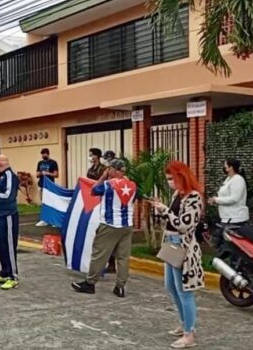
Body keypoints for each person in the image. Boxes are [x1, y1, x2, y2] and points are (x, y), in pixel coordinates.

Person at [149, 161, 205, 349]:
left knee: (184, 291)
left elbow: (184, 225)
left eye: (172, 179)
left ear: (181, 177)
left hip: (183, 247)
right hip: (171, 244)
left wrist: (164, 210)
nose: (170, 183)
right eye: (168, 180)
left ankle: (189, 333)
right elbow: (171, 221)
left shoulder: (194, 198)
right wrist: (161, 209)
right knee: (170, 286)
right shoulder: (177, 194)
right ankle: (184, 324)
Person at [72, 159, 138, 297]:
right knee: (123, 257)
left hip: (109, 224)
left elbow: (94, 190)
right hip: (126, 226)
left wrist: (102, 177)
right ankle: (120, 287)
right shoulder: (132, 185)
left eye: (109, 169)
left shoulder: (109, 184)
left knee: (99, 254)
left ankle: (90, 283)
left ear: (113, 170)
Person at [0, 154, 21, 290]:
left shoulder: (10, 176)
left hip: (7, 216)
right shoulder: (1, 177)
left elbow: (8, 195)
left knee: (9, 246)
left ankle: (13, 276)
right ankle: (4, 272)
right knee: (0, 244)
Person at [208, 159, 249, 225]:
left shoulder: (237, 179)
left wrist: (216, 200)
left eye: (225, 166)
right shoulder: (228, 179)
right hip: (227, 217)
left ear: (231, 168)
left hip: (235, 218)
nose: (224, 168)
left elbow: (234, 198)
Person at [35, 148, 59, 226]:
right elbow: (37, 174)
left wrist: (47, 173)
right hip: (42, 185)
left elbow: (56, 174)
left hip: (50, 186)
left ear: (47, 154)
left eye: (44, 154)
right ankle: (44, 219)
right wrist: (41, 173)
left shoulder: (53, 163)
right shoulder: (40, 163)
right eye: (42, 154)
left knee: (51, 203)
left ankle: (53, 220)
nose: (43, 155)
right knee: (43, 203)